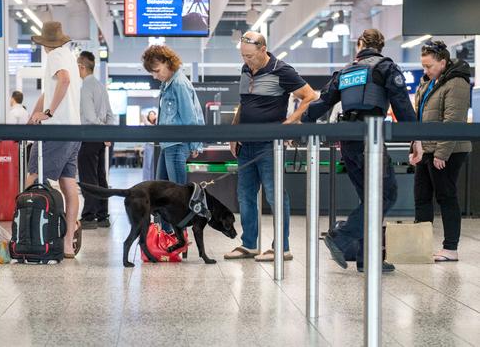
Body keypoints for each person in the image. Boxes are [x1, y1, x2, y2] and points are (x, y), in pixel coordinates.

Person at [302, 28, 421, 273]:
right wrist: (415, 138)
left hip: (347, 141)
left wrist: (303, 121)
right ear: (381, 46)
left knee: (369, 199)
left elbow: (322, 102)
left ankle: (367, 258)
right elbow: (402, 106)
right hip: (370, 140)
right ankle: (341, 236)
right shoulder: (385, 68)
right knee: (385, 196)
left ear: (359, 44)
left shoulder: (345, 71)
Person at [223, 31, 317, 262]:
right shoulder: (245, 70)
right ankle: (249, 244)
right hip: (246, 143)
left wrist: (288, 124)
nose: (247, 61)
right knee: (245, 196)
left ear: (263, 49)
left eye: (251, 57)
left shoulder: (282, 70)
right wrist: (234, 134)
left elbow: (310, 97)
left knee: (276, 196)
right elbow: (244, 105)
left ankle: (281, 247)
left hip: (270, 145)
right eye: (243, 56)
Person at [26, 21, 83, 258]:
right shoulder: (69, 55)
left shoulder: (55, 57)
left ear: (44, 44)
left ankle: (29, 234)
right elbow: (48, 92)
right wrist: (33, 115)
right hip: (73, 131)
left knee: (32, 179)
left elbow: (65, 80)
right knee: (69, 185)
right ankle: (68, 242)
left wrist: (47, 114)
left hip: (56, 130)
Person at [412, 41, 471, 262]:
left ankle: (450, 248)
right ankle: (421, 246)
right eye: (423, 66)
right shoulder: (429, 83)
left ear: (443, 62)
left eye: (429, 66)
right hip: (427, 148)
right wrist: (415, 146)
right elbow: (420, 118)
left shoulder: (456, 83)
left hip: (449, 150)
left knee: (446, 196)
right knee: (421, 197)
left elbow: (452, 121)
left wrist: (441, 154)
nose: (425, 71)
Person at [141, 44, 205, 232]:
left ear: (168, 63)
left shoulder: (178, 83)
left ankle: (178, 238)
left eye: (157, 71)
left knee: (177, 197)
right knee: (160, 193)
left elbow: (190, 116)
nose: (155, 76)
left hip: (177, 145)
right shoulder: (167, 83)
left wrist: (195, 143)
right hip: (168, 144)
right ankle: (166, 235)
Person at [77, 51, 115, 229]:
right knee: (101, 177)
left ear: (82, 67)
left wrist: (100, 129)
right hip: (100, 140)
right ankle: (102, 216)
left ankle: (89, 216)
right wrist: (107, 132)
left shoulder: (86, 86)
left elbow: (91, 117)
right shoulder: (100, 86)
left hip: (89, 136)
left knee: (88, 177)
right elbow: (110, 115)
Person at [142, 110, 157, 181]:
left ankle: (152, 180)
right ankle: (146, 180)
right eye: (150, 114)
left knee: (153, 165)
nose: (151, 116)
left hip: (155, 146)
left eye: (153, 114)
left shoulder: (157, 124)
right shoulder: (147, 124)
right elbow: (144, 119)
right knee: (147, 164)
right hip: (149, 146)